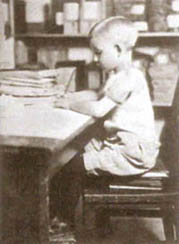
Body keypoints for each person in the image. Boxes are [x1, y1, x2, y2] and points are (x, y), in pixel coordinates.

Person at [50, 16, 159, 241]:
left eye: (98, 52)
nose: (95, 58)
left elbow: (99, 109)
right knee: (70, 151)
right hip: (124, 145)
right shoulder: (119, 75)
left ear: (118, 49)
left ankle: (63, 227)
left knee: (69, 167)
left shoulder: (129, 78)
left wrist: (69, 103)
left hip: (132, 152)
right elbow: (97, 94)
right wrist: (69, 95)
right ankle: (68, 219)